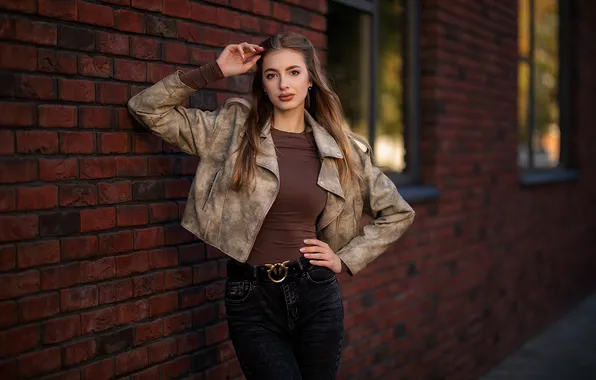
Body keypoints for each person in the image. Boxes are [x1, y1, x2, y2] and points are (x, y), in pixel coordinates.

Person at [128, 32, 415, 380]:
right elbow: (146, 108)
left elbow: (398, 212)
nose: (283, 84)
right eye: (271, 74)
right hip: (250, 297)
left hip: (315, 293)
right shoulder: (231, 132)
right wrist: (215, 69)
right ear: (262, 83)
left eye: (294, 72)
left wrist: (346, 259)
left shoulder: (343, 150)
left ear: (311, 79)